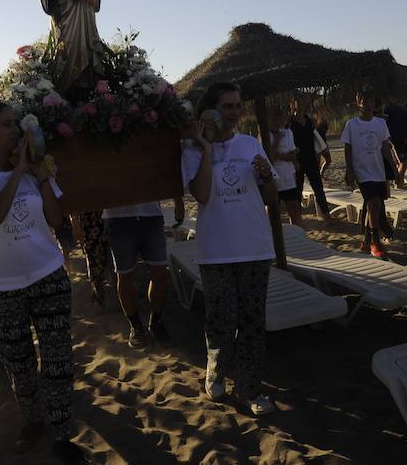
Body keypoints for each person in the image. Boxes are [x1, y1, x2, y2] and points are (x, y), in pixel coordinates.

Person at [0, 101, 83, 463]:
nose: (15, 131)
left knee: (58, 359)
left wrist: (43, 176)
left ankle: (62, 433)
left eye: (16, 124)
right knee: (20, 363)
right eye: (6, 125)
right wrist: (18, 171)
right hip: (1, 287)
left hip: (47, 275)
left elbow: (57, 218)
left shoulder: (37, 172)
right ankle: (33, 421)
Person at [182, 81, 278, 417]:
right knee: (221, 320)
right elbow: (203, 194)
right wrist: (207, 149)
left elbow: (271, 198)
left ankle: (250, 389)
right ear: (209, 111)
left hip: (255, 247)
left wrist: (267, 176)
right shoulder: (192, 152)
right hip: (217, 251)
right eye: (227, 107)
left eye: (238, 106)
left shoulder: (251, 143)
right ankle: (216, 372)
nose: (234, 114)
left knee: (253, 322)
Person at [342, 90, 402, 259]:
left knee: (373, 204)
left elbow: (385, 148)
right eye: (363, 100)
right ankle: (376, 241)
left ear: (374, 104)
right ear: (358, 102)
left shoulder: (380, 124)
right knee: (374, 202)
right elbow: (348, 148)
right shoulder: (351, 125)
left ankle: (366, 241)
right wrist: (350, 170)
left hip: (378, 170)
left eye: (370, 101)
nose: (367, 104)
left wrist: (394, 167)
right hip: (361, 170)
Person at [102, 202, 170, 348]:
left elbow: (172, 180)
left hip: (151, 214)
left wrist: (179, 203)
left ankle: (156, 320)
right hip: (117, 217)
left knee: (160, 274)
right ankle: (136, 326)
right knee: (125, 276)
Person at [289, 94, 331, 222]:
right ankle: (298, 217)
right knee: (298, 189)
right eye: (297, 101)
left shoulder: (309, 120)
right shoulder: (290, 122)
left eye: (301, 101)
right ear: (292, 105)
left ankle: (326, 215)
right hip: (297, 160)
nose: (300, 104)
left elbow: (316, 138)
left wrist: (321, 154)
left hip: (311, 158)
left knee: (318, 187)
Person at [268, 107, 303, 227]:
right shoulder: (265, 135)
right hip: (273, 178)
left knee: (294, 208)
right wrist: (277, 140)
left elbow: (293, 155)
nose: (276, 122)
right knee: (273, 212)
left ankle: (299, 233)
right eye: (273, 120)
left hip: (288, 177)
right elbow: (270, 158)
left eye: (279, 119)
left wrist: (281, 156)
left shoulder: (288, 133)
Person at [384, 101, 407, 186]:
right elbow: (384, 122)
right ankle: (399, 183)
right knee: (403, 163)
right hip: (394, 139)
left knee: (401, 162)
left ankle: (398, 183)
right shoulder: (389, 106)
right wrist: (387, 138)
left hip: (404, 138)